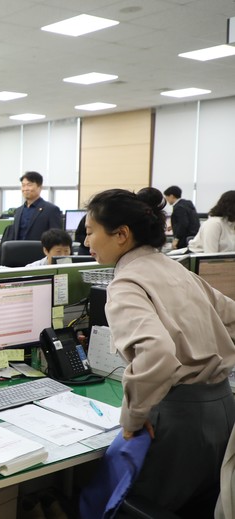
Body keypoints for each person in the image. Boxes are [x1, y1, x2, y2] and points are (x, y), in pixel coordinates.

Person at [84, 187, 235, 516]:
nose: (85, 241)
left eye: (90, 231)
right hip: (223, 407)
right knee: (197, 505)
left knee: (141, 506)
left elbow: (156, 354)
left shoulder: (125, 284)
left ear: (121, 234)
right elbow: (231, 316)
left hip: (179, 417)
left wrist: (134, 417)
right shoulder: (176, 268)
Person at [2, 171, 63, 241]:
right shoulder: (18, 211)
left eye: (29, 185)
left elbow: (56, 238)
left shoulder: (51, 210)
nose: (25, 189)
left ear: (40, 187)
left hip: (39, 248)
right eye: (23, 185)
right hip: (19, 248)